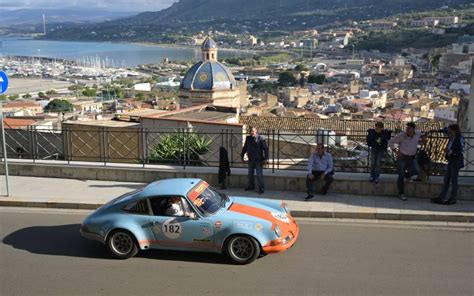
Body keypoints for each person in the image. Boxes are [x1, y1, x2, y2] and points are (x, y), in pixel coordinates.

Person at [388, 122, 424, 201]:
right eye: (406, 128)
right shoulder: (402, 136)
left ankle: (407, 176)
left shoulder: (417, 134)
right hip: (402, 158)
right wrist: (396, 152)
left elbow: (422, 135)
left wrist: (424, 139)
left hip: (412, 157)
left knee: (417, 170)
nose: (407, 130)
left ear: (413, 129)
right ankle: (401, 193)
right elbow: (390, 142)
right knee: (401, 175)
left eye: (409, 128)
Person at [431, 124, 465, 205]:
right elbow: (445, 130)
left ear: (454, 130)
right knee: (446, 180)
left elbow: (461, 150)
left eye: (450, 131)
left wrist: (449, 151)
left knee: (454, 180)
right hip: (451, 160)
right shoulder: (452, 135)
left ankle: (453, 198)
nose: (448, 132)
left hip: (456, 161)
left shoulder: (459, 138)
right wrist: (436, 131)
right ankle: (441, 197)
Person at [241, 127, 269, 194]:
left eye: (253, 131)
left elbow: (266, 149)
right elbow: (245, 148)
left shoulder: (261, 138)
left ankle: (261, 188)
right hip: (250, 159)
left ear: (256, 131)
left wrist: (266, 158)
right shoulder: (248, 138)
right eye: (251, 131)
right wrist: (242, 156)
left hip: (258, 160)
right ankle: (251, 186)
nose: (252, 132)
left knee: (259, 175)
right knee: (250, 174)